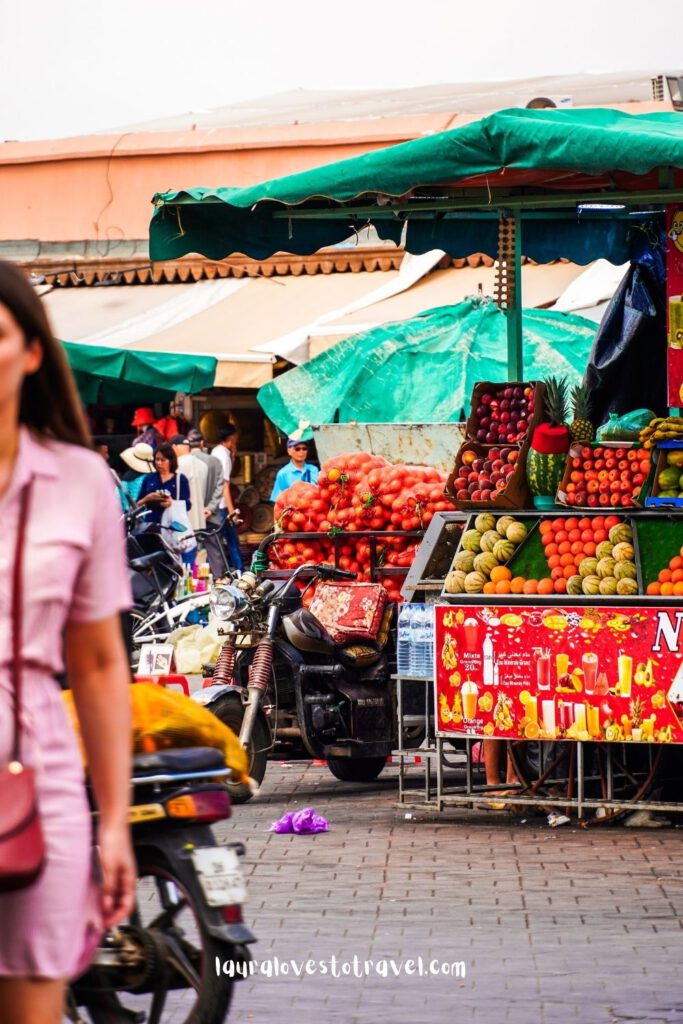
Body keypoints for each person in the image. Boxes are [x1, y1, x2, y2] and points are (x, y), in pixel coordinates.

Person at [0, 260, 135, 1022]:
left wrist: (111, 821)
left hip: (34, 780)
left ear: (30, 353)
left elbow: (98, 660)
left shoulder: (81, 481)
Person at [137, 441, 196, 565]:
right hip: (152, 529)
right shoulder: (149, 479)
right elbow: (138, 503)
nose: (159, 463)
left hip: (172, 529)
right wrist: (148, 498)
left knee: (174, 564)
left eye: (163, 460)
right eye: (157, 459)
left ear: (171, 461)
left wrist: (172, 503)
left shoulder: (180, 479)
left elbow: (188, 505)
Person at [188, 427, 227, 578]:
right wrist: (210, 508)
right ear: (202, 443)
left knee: (191, 549)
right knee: (214, 550)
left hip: (191, 515)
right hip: (211, 514)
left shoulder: (183, 462)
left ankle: (193, 583)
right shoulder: (214, 461)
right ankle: (219, 582)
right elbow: (220, 486)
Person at [211, 424, 243, 571]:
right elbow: (225, 484)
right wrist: (232, 511)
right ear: (231, 438)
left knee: (215, 541)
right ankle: (240, 571)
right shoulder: (224, 455)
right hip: (222, 505)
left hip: (214, 503)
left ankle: (219, 571)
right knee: (232, 541)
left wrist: (234, 455)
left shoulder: (216, 451)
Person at [170, 434, 208, 533]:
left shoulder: (175, 465)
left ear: (174, 447)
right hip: (200, 520)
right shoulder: (203, 465)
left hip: (181, 520)